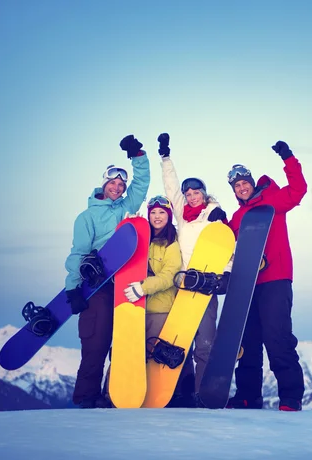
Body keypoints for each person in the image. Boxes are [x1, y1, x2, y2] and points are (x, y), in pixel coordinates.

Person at [65, 135, 150, 409]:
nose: (117, 187)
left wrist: (137, 155)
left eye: (121, 185)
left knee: (124, 343)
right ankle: (85, 397)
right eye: (113, 183)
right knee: (96, 343)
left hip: (124, 281)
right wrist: (73, 287)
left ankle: (112, 394)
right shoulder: (86, 217)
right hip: (97, 286)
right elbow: (78, 253)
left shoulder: (125, 206)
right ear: (104, 184)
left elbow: (141, 184)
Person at [225, 140, 307, 412]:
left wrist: (288, 158)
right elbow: (227, 244)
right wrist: (218, 224)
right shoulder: (237, 217)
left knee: (277, 337)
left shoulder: (274, 201)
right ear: (235, 191)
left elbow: (298, 190)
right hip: (246, 286)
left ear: (251, 182)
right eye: (236, 186)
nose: (242, 187)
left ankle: (291, 397)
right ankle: (249, 396)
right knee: (246, 341)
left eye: (244, 182)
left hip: (276, 280)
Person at [157, 132, 230, 398]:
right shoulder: (183, 216)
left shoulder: (215, 218)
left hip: (206, 286)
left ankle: (204, 393)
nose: (191, 196)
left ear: (204, 193)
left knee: (205, 344)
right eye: (188, 194)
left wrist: (226, 275)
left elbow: (226, 250)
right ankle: (180, 393)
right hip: (182, 286)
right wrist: (165, 158)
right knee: (179, 341)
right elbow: (171, 189)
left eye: (195, 192)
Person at [122, 195, 196, 407]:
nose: (157, 216)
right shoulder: (142, 238)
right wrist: (130, 227)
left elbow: (169, 275)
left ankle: (173, 397)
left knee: (159, 356)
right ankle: (129, 395)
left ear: (168, 215)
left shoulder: (172, 243)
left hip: (160, 308)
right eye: (153, 212)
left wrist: (143, 288)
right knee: (135, 354)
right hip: (135, 307)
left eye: (162, 212)